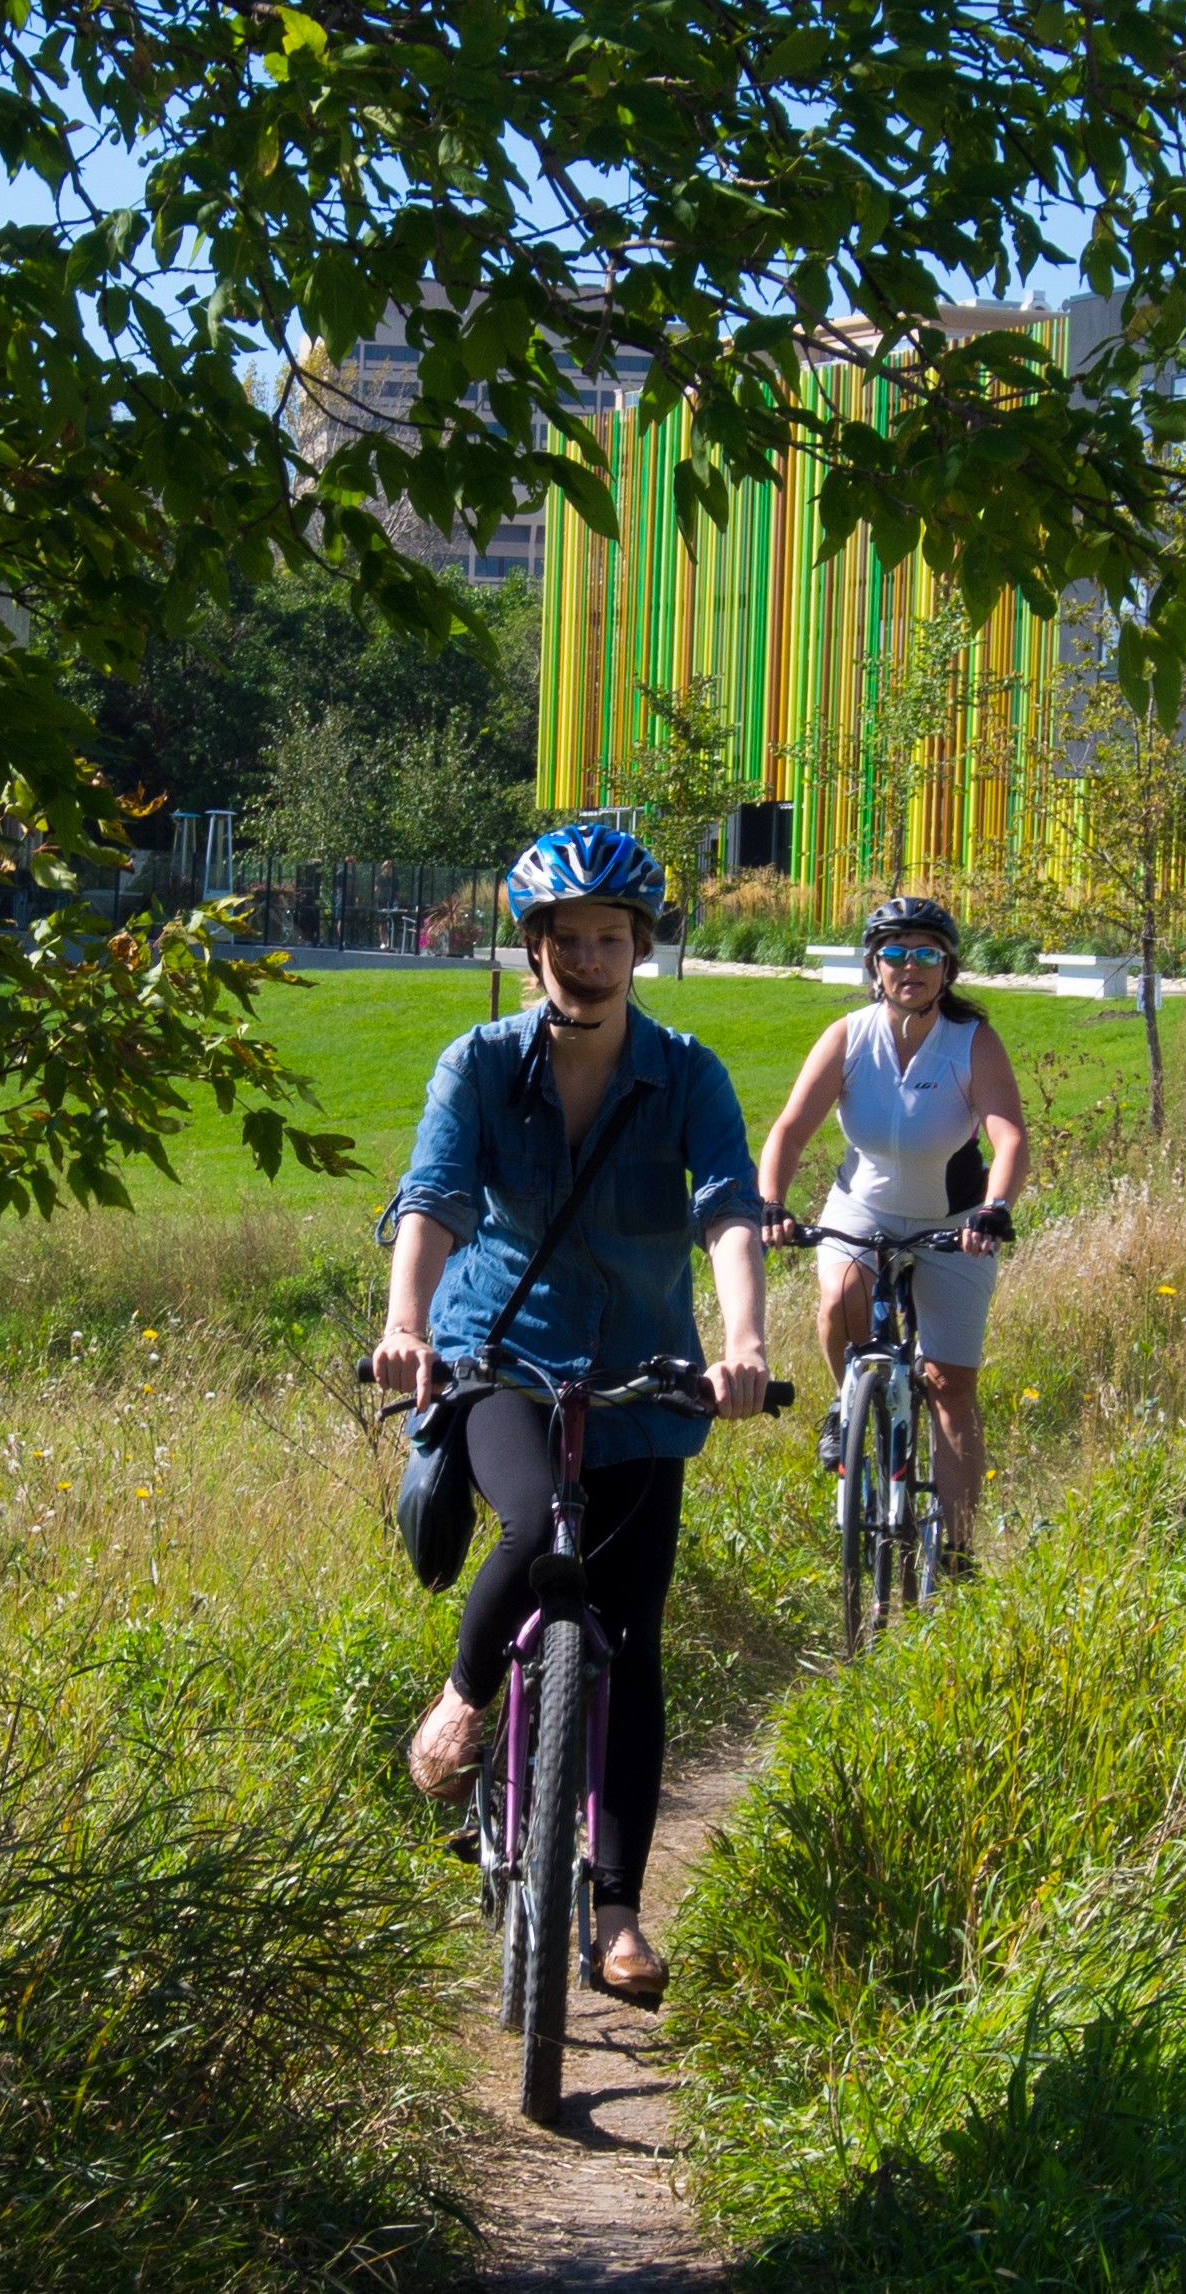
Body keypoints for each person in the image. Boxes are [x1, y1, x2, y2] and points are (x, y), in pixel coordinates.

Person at [370, 822, 770, 2004]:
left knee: (634, 1637)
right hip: (502, 1353)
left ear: (638, 947)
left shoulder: (687, 1072)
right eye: (568, 940)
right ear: (532, 946)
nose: (589, 960)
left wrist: (743, 1344)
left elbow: (729, 1212)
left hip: (646, 1373)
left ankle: (618, 1916)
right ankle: (464, 1696)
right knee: (537, 1523)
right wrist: (407, 1322)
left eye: (611, 938)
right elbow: (434, 1200)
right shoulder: (481, 1065)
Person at [757, 896, 1028, 1546]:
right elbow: (790, 1131)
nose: (911, 966)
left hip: (954, 1221)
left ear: (947, 968)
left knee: (949, 1384)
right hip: (864, 1210)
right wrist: (771, 1199)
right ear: (874, 965)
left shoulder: (970, 1043)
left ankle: (958, 1555)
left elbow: (1009, 1138)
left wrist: (993, 1211)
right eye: (896, 953)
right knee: (839, 1304)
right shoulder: (849, 1037)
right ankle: (846, 1404)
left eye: (926, 954)